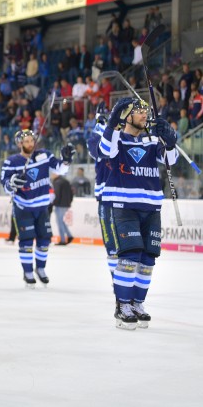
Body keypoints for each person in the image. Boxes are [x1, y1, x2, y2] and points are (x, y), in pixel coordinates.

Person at [96, 97, 179, 330]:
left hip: (151, 206)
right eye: (140, 111)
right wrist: (112, 122)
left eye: (146, 111)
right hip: (125, 204)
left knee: (147, 260)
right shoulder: (117, 138)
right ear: (127, 116)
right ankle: (122, 305)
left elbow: (170, 161)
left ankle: (137, 303)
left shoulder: (153, 139)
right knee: (130, 257)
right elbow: (104, 151)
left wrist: (170, 142)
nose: (145, 115)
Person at [0, 129, 74, 287]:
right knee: (26, 241)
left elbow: (60, 169)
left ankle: (40, 268)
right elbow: (5, 183)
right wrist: (12, 182)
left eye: (31, 140)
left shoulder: (44, 155)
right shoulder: (12, 161)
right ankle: (27, 272)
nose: (30, 143)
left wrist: (66, 160)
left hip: (42, 207)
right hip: (23, 207)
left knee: (44, 240)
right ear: (19, 143)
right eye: (26, 141)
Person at [86, 104, 119, 286]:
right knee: (111, 245)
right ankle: (117, 281)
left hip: (124, 194)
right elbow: (93, 147)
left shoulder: (122, 134)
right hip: (105, 196)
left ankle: (128, 280)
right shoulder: (96, 140)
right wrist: (100, 123)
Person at [52, 172, 74, 245]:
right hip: (66, 204)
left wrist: (53, 203)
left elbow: (56, 194)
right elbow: (71, 193)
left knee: (60, 222)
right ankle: (69, 235)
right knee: (62, 221)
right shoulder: (66, 181)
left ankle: (63, 240)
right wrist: (69, 202)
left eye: (53, 174)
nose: (52, 176)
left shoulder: (57, 182)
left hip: (60, 205)